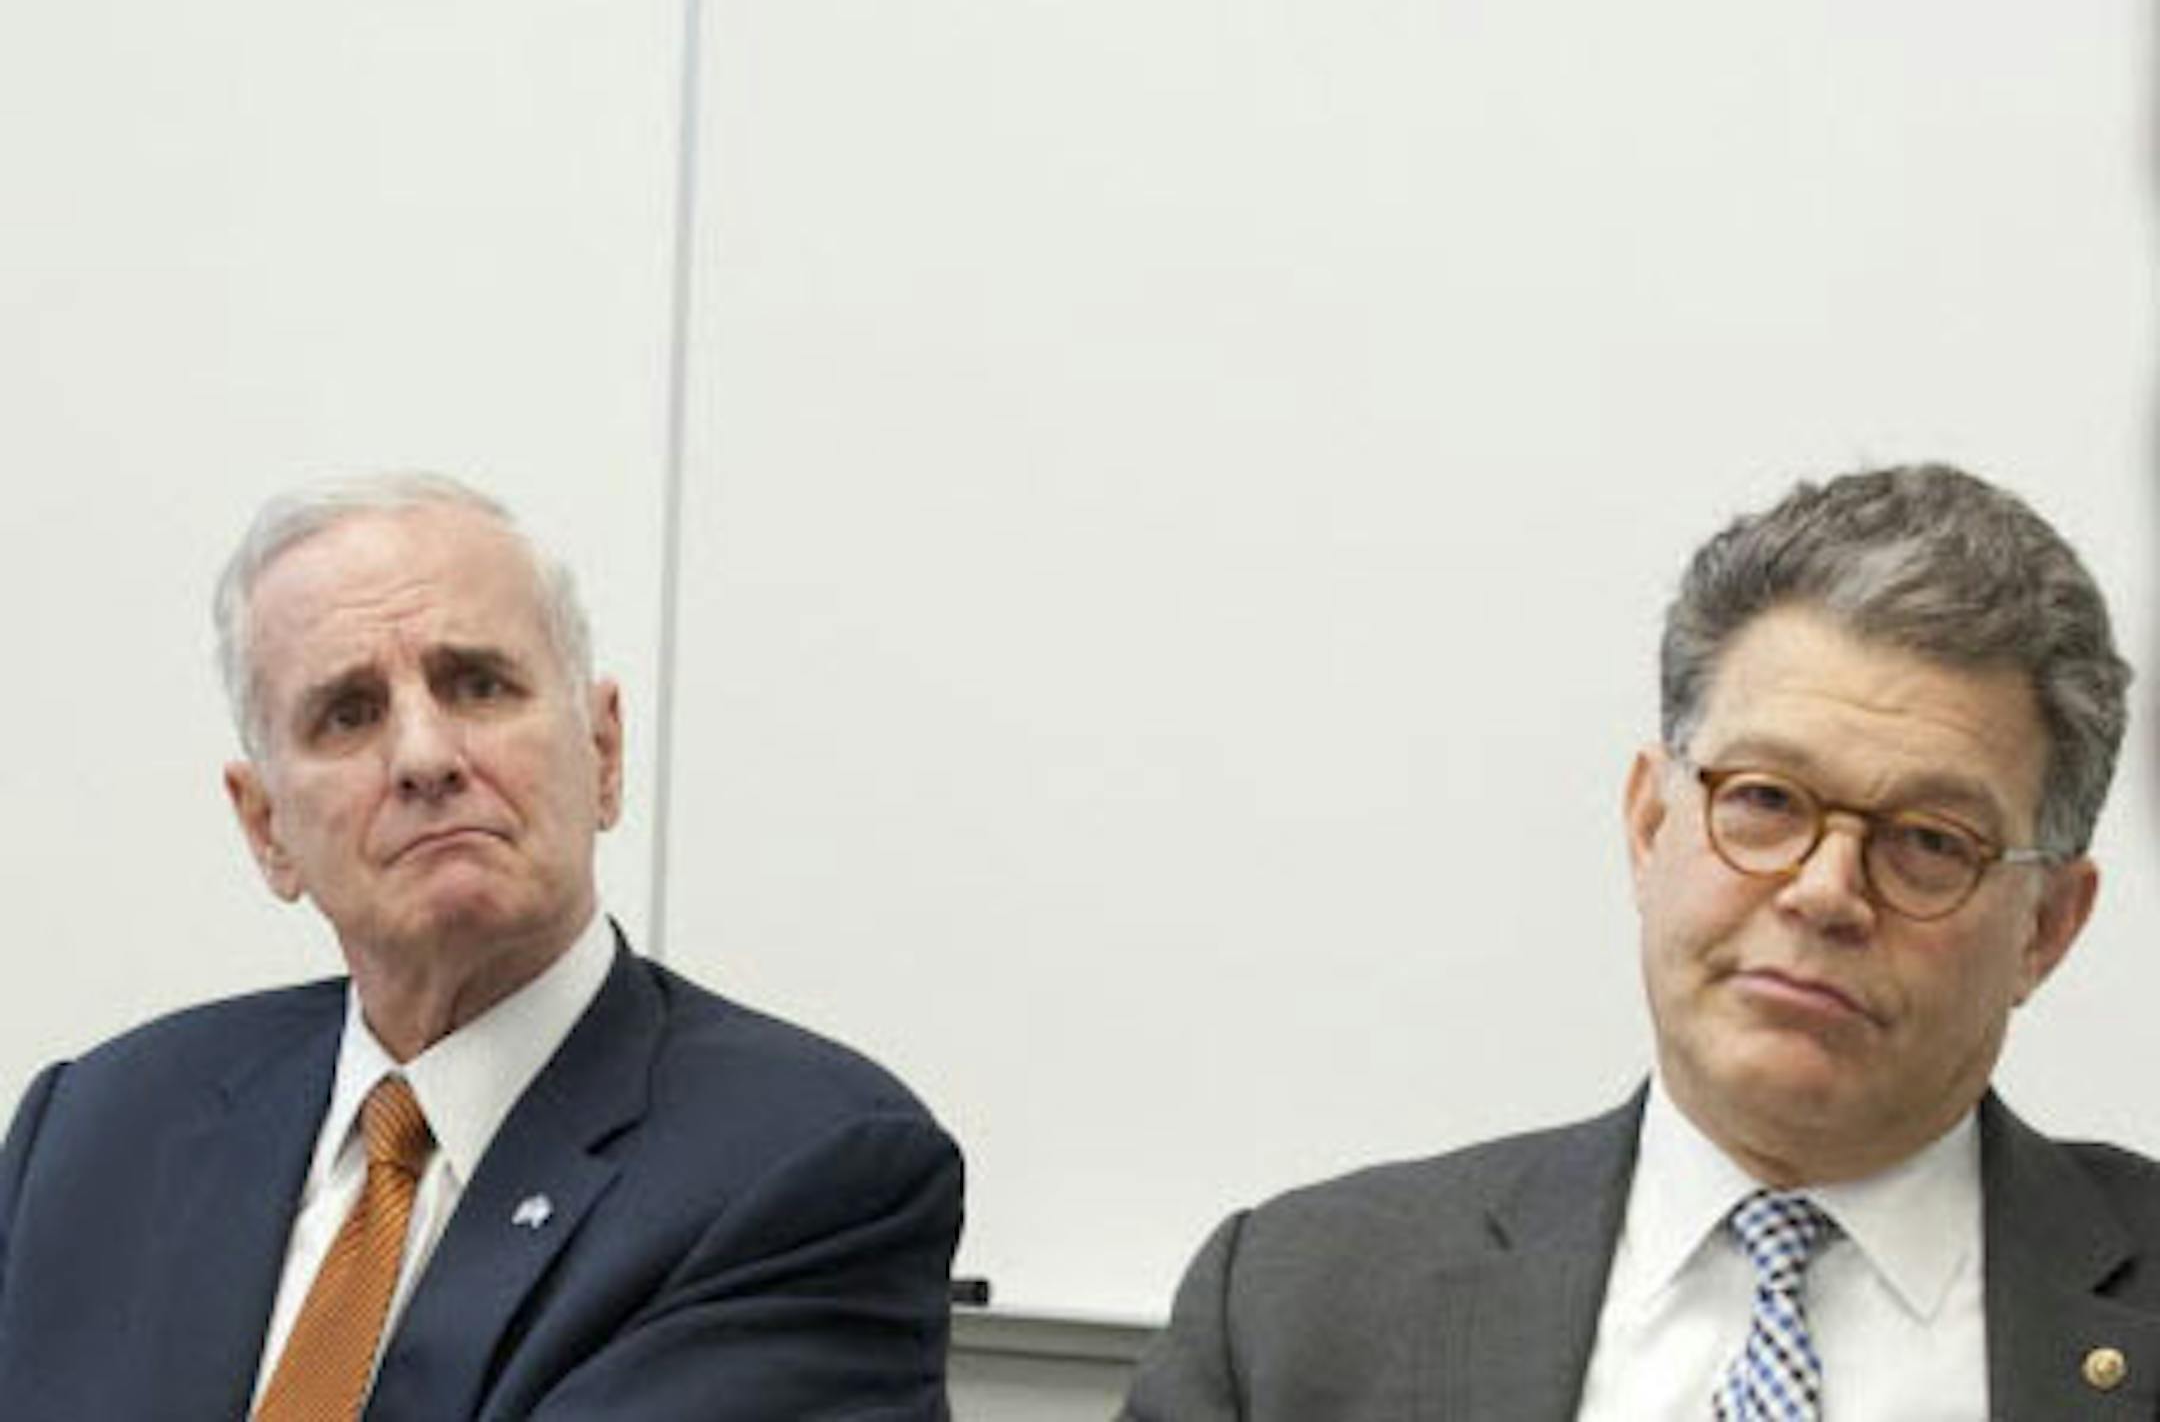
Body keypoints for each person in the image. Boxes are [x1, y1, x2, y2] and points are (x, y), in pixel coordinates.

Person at [1123, 464, 2160, 1420]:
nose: (1824, 891)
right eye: (1764, 799)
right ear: (1649, 825)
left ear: (2048, 926)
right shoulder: (1298, 1310)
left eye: (1932, 841)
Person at [0, 474, 962, 1419]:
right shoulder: (97, 1132)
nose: (425, 757)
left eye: (479, 685)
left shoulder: (808, 1169)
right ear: (266, 828)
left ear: (605, 751)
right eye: (350, 712)